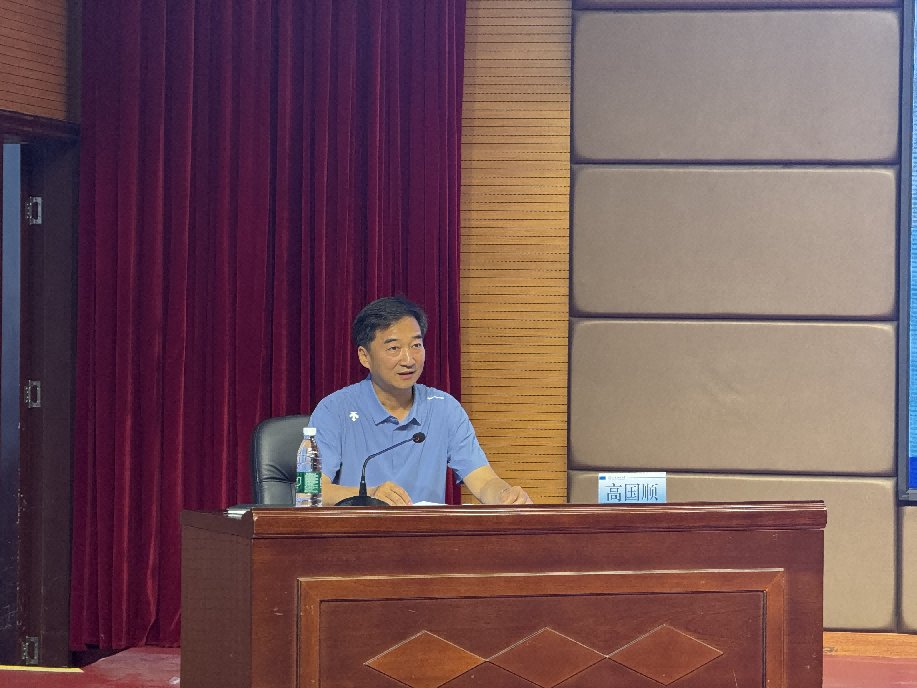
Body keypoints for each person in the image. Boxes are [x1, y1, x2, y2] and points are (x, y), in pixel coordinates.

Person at [311, 296, 533, 506]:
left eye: (416, 345)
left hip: (427, 533)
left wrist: (505, 496)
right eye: (394, 348)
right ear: (364, 356)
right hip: (358, 533)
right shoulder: (334, 410)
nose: (408, 360)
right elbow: (310, 490)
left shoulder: (444, 408)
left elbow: (483, 481)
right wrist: (369, 495)